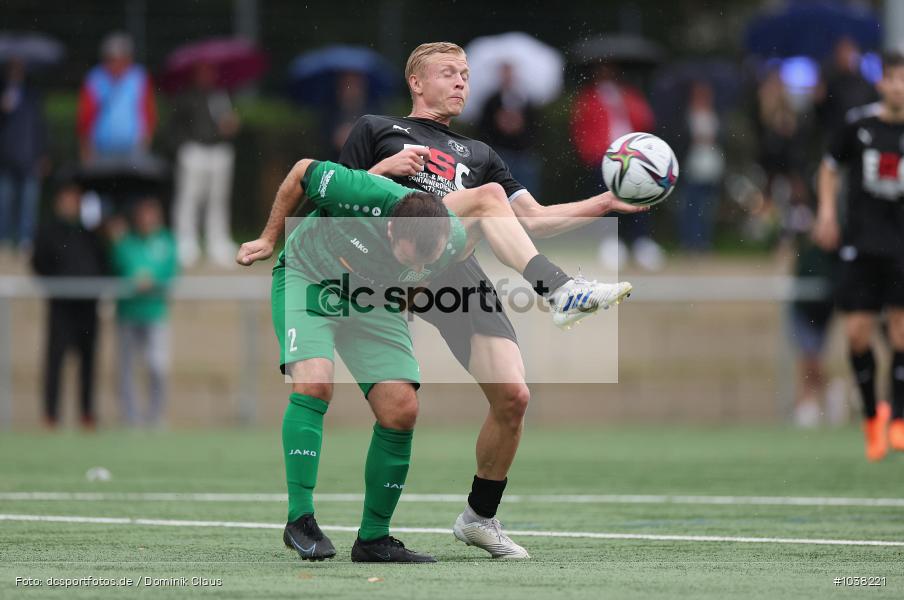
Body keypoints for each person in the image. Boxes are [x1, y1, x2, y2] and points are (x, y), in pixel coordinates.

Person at [236, 157, 632, 562]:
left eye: (427, 260)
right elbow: (303, 171)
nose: (419, 266)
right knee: (315, 384)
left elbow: (423, 278)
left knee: (401, 409)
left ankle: (373, 540)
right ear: (391, 228)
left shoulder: (453, 238)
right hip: (309, 278)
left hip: (373, 300)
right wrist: (269, 239)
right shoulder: (363, 194)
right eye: (410, 257)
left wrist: (402, 293)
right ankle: (299, 519)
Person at [338, 42, 646, 559]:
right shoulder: (376, 129)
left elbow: (535, 221)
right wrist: (385, 170)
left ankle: (479, 518)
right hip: (386, 249)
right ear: (415, 82)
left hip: (452, 265)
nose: (461, 82)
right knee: (486, 201)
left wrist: (606, 202)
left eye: (465, 74)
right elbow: (336, 201)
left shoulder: (480, 155)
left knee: (513, 398)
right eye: (448, 73)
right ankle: (559, 290)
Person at [813, 50, 904, 461]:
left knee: (902, 335)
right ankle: (872, 416)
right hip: (862, 245)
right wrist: (827, 213)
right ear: (882, 83)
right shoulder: (859, 125)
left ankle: (899, 420)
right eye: (894, 79)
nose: (900, 87)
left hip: (901, 246)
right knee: (857, 334)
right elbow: (829, 167)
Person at [569, 61, 664, 271]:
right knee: (606, 200)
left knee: (639, 196)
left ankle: (641, 242)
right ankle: (610, 243)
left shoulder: (629, 95)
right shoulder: (588, 98)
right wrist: (590, 154)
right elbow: (581, 128)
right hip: (602, 156)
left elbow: (645, 120)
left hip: (632, 153)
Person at [31, 182, 107, 429]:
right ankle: (50, 415)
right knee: (55, 360)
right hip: (61, 305)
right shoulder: (49, 231)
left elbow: (104, 263)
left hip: (87, 306)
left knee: (88, 362)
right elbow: (38, 263)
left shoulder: (92, 232)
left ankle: (87, 414)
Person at [109, 197, 178, 427]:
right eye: (143, 213)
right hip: (128, 312)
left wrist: (151, 280)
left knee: (157, 365)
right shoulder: (125, 241)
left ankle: (155, 416)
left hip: (155, 313)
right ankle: (130, 418)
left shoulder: (166, 241)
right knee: (126, 368)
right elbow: (118, 266)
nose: (147, 218)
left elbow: (170, 271)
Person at [167, 62, 241, 268]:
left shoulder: (221, 96)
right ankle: (186, 242)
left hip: (219, 152)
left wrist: (231, 125)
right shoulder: (185, 96)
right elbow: (174, 127)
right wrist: (184, 148)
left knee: (218, 200)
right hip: (194, 151)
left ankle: (217, 242)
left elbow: (229, 123)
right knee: (189, 198)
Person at [77, 32, 157, 163]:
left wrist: (146, 140)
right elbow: (85, 116)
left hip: (134, 149)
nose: (115, 64)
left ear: (128, 59)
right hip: (101, 149)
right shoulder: (95, 78)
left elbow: (149, 112)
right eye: (111, 59)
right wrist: (85, 147)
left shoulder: (139, 77)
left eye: (120, 59)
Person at [0, 58, 48, 254]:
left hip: (28, 158)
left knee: (27, 204)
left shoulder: (32, 94)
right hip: (4, 159)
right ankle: (3, 241)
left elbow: (40, 127)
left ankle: (24, 242)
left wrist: (43, 153)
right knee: (4, 203)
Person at [476, 62, 541, 193]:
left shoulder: (526, 100)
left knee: (528, 193)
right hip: (500, 154)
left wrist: (519, 127)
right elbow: (483, 128)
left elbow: (536, 126)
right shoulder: (491, 101)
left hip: (524, 154)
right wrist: (500, 125)